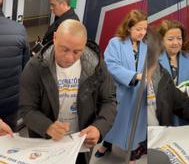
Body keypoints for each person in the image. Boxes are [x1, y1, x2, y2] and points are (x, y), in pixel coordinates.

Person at [19, 19, 117, 164]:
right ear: (54, 38)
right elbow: (26, 109)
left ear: (84, 46)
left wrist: (99, 128)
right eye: (64, 49)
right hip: (44, 143)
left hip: (80, 144)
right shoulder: (36, 67)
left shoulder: (96, 65)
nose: (70, 58)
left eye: (77, 52)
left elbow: (109, 100)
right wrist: (47, 126)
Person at [95, 10, 147, 164]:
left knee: (134, 124)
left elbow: (151, 67)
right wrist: (134, 76)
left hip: (139, 94)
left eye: (144, 29)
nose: (142, 33)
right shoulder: (116, 43)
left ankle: (131, 151)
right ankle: (107, 143)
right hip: (121, 92)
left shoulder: (146, 46)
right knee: (114, 122)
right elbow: (110, 65)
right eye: (138, 29)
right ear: (129, 27)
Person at [157, 19, 189, 125]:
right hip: (163, 120)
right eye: (170, 39)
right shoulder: (153, 62)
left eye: (179, 38)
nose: (176, 43)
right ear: (161, 40)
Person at [0, 0, 30, 131]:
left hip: (10, 104)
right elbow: (25, 69)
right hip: (10, 105)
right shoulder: (19, 30)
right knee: (9, 145)